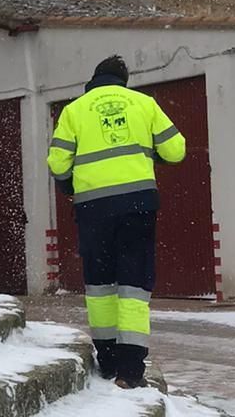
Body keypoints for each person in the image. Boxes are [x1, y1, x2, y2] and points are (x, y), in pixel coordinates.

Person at [48, 56, 186, 388]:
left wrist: (71, 182)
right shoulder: (144, 104)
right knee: (134, 285)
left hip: (93, 209)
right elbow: (177, 150)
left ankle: (107, 359)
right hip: (137, 206)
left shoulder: (75, 110)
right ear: (124, 80)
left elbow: (57, 163)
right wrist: (149, 153)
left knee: (99, 285)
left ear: (94, 79)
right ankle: (131, 370)